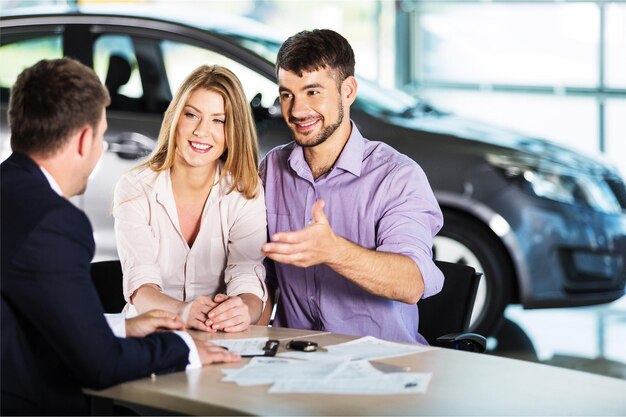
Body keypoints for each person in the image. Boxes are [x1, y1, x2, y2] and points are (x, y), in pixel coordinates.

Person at [0, 58, 240, 416]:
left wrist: (120, 326)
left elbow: (26, 319)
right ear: (84, 139)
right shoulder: (55, 223)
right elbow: (101, 366)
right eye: (101, 135)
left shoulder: (8, 188)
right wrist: (185, 348)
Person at [260, 29, 444, 344]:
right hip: (294, 364)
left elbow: (412, 283)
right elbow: (263, 278)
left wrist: (332, 251)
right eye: (287, 94)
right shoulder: (271, 169)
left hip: (380, 367)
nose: (297, 110)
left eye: (313, 92)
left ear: (348, 91)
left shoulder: (396, 176)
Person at [113, 65, 267, 333]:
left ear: (234, 131)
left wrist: (244, 309)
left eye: (218, 120)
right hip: (149, 336)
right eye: (192, 115)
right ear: (176, 118)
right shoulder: (135, 188)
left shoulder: (244, 191)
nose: (201, 131)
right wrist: (183, 312)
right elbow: (141, 288)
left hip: (217, 337)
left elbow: (247, 277)